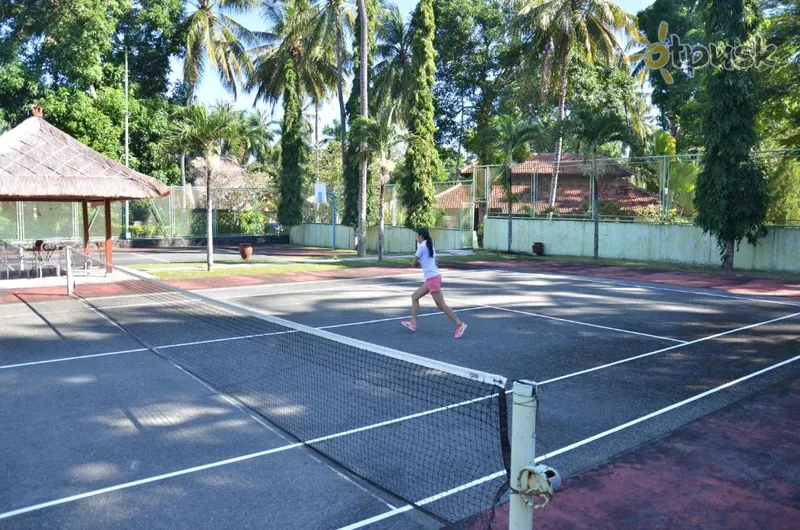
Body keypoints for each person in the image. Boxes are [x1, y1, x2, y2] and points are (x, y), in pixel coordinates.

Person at [401, 228, 468, 339]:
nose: (416, 237)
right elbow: (435, 261)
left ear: (421, 236)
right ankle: (413, 323)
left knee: (442, 305)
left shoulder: (422, 247)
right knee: (415, 297)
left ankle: (460, 325)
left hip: (433, 279)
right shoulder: (429, 245)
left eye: (417, 235)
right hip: (432, 278)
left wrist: (418, 263)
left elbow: (413, 263)